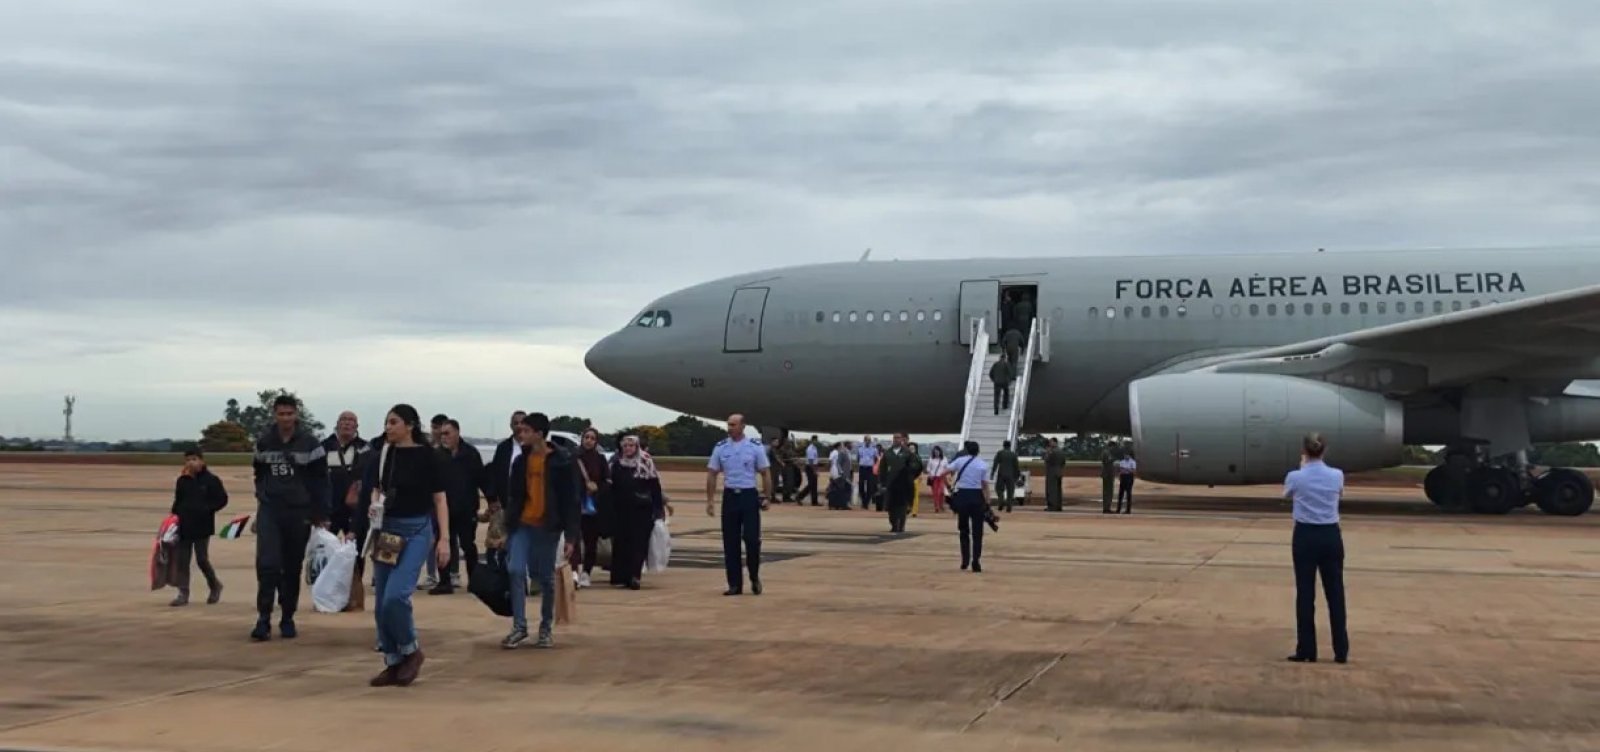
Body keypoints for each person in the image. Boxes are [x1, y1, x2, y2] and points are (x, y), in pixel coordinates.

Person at [366, 404, 451, 687]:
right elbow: (378, 488)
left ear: (410, 425)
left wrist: (444, 540)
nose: (388, 427)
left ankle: (411, 649)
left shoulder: (428, 457)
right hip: (388, 531)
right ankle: (392, 660)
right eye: (386, 422)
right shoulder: (385, 454)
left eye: (394, 422)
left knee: (396, 596)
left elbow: (440, 499)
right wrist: (374, 504)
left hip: (416, 531)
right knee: (381, 603)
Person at [250, 395, 330, 642]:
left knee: (291, 567)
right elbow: (258, 473)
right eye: (281, 414)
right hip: (271, 511)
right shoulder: (264, 443)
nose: (285, 418)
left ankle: (287, 617)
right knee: (268, 565)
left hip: (299, 513)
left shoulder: (310, 444)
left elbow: (321, 481)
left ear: (296, 415)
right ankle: (263, 618)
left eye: (289, 414)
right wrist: (263, 498)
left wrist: (320, 514)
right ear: (274, 415)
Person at [500, 413, 581, 649]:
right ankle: (519, 626)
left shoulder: (562, 461)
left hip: (548, 527)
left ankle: (545, 628)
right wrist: (507, 527)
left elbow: (571, 500)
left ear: (538, 433)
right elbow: (514, 496)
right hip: (522, 525)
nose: (520, 434)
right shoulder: (520, 461)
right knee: (515, 570)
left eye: (525, 430)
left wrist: (571, 535)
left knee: (545, 578)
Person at [1283, 432, 1349, 664]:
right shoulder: (1337, 475)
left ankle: (1307, 649)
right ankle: (1341, 650)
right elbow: (1339, 493)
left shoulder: (1295, 476)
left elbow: (1287, 494)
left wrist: (1302, 468)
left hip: (1305, 535)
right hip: (1330, 534)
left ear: (1304, 451)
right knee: (1335, 593)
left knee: (1305, 593)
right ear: (1324, 450)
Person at [706, 414, 771, 596]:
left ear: (743, 426)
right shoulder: (721, 447)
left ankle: (754, 576)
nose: (730, 428)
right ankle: (734, 584)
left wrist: (767, 496)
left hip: (749, 496)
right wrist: (710, 500)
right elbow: (712, 473)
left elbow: (765, 473)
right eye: (728, 425)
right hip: (730, 496)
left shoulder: (754, 447)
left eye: (733, 425)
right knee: (730, 542)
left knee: (752, 540)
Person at [432, 419, 487, 595]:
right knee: (442, 543)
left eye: (447, 433)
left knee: (468, 545)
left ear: (457, 432)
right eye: (441, 434)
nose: (444, 437)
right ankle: (444, 581)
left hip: (466, 507)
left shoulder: (470, 453)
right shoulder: (437, 455)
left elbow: (481, 478)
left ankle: (474, 581)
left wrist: (492, 500)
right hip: (444, 509)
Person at [608, 435, 669, 589]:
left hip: (641, 510)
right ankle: (621, 577)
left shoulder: (646, 462)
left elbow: (655, 487)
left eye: (631, 445)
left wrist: (658, 508)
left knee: (639, 543)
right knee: (622, 543)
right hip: (620, 509)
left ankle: (635, 576)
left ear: (637, 447)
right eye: (625, 446)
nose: (628, 448)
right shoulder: (616, 463)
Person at [169, 449, 227, 606]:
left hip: (202, 526)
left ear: (202, 461)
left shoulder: (212, 480)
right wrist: (173, 517)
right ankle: (183, 593)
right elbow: (178, 501)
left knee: (202, 559)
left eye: (194, 459)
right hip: (184, 525)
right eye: (187, 460)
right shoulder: (182, 481)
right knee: (183, 561)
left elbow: (222, 500)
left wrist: (207, 509)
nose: (190, 462)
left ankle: (215, 585)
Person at [945, 441, 991, 573]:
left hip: (962, 496)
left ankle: (965, 560)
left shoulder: (960, 461)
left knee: (963, 529)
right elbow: (985, 486)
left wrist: (948, 486)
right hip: (976, 496)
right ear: (978, 451)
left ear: (966, 450)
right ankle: (976, 560)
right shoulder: (982, 464)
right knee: (978, 532)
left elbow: (944, 472)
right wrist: (987, 502)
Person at [322, 411, 369, 539]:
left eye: (351, 420)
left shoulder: (366, 448)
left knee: (357, 552)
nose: (347, 423)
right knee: (324, 552)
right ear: (337, 424)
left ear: (356, 426)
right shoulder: (324, 447)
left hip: (355, 510)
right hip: (330, 509)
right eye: (343, 419)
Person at [574, 427, 611, 589]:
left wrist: (597, 488)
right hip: (576, 505)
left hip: (593, 506)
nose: (588, 440)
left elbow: (607, 481)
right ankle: (574, 570)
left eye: (592, 438)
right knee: (574, 541)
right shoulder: (573, 458)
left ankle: (586, 572)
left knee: (591, 542)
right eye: (586, 437)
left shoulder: (600, 459)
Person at [880, 433, 923, 533]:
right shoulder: (888, 453)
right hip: (891, 484)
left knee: (902, 506)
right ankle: (894, 524)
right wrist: (882, 482)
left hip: (904, 484)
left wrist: (910, 477)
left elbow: (916, 466)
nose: (896, 440)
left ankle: (901, 525)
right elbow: (882, 469)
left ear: (902, 440)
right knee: (891, 507)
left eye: (898, 438)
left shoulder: (907, 453)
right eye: (895, 438)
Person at [992, 440, 1020, 512]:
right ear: (1010, 446)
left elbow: (995, 463)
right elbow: (1016, 466)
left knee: (999, 489)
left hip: (1001, 474)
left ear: (1003, 445)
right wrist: (1017, 475)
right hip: (1011, 475)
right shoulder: (1013, 454)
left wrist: (992, 473)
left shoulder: (1000, 453)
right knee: (1010, 491)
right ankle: (1009, 506)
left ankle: (1001, 500)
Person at [827, 442, 852, 509]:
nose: (842, 447)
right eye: (842, 446)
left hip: (836, 472)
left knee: (836, 489)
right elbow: (831, 461)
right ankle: (841, 504)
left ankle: (834, 504)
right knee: (841, 488)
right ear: (838, 446)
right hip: (837, 473)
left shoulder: (837, 452)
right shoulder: (835, 452)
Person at [855, 437, 879, 510]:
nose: (868, 442)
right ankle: (863, 500)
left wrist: (871, 464)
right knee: (861, 485)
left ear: (870, 441)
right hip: (862, 468)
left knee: (870, 486)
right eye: (866, 440)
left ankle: (866, 503)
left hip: (869, 469)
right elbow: (858, 458)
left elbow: (875, 459)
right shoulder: (860, 449)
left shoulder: (874, 449)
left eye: (869, 440)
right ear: (864, 441)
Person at [925, 446, 949, 514]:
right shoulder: (931, 459)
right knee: (935, 493)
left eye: (937, 452)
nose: (936, 453)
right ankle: (936, 507)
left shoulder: (944, 459)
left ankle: (941, 505)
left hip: (941, 477)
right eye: (935, 452)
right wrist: (930, 475)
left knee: (941, 492)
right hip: (934, 477)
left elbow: (947, 467)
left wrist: (945, 474)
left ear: (940, 452)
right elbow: (928, 468)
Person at [1044, 438, 1066, 511]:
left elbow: (1047, 460)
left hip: (1051, 472)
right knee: (1058, 490)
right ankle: (1058, 506)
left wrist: (1047, 453)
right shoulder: (1061, 451)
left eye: (1051, 442)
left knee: (1051, 490)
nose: (1050, 444)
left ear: (1054, 442)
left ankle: (1052, 506)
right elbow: (1063, 462)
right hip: (1059, 472)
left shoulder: (1052, 452)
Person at [1115, 448, 1137, 514]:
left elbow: (1133, 471)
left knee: (1128, 494)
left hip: (1129, 478)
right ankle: (1118, 509)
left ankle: (1128, 510)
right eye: (1125, 455)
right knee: (1120, 494)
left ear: (1129, 456)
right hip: (1123, 477)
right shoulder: (1122, 462)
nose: (1126, 456)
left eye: (1127, 455)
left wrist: (1126, 470)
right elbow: (1121, 470)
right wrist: (1128, 469)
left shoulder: (1133, 462)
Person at [802, 436, 821, 506]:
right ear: (812, 440)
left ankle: (814, 501)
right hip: (810, 467)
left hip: (813, 467)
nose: (817, 441)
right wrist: (814, 470)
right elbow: (810, 461)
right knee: (811, 485)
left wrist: (817, 469)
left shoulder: (815, 448)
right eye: (815, 440)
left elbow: (815, 460)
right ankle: (799, 497)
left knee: (814, 485)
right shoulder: (810, 449)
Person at [1100, 444, 1119, 514]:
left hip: (1107, 474)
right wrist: (1114, 459)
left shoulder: (1106, 452)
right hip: (1107, 474)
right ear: (1111, 446)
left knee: (1107, 492)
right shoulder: (1107, 453)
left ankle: (1107, 507)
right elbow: (1107, 461)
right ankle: (1106, 508)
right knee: (1108, 492)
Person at [908, 442, 923, 518]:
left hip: (915, 478)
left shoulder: (918, 458)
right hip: (907, 479)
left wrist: (919, 476)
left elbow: (921, 468)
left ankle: (914, 511)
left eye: (912, 448)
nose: (911, 450)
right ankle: (907, 508)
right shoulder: (905, 458)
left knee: (915, 495)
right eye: (910, 448)